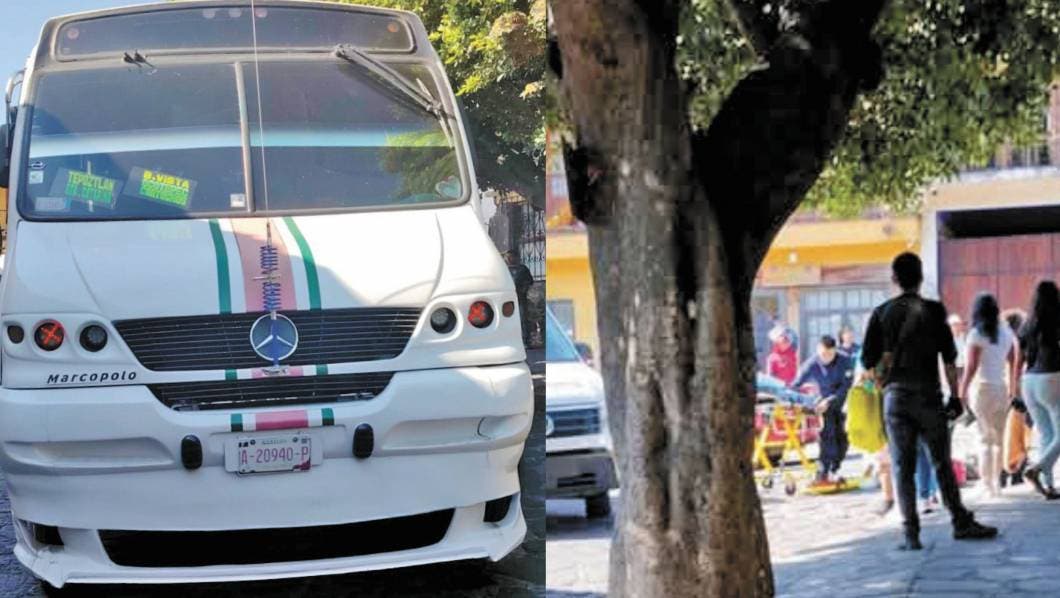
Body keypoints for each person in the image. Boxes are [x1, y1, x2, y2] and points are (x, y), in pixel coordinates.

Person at [862, 252, 997, 550]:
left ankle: (911, 535)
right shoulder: (935, 311)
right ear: (921, 278)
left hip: (895, 399)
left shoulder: (881, 313)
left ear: (894, 279)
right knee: (941, 463)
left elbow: (868, 362)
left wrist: (884, 384)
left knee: (902, 466)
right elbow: (949, 358)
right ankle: (960, 522)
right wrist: (955, 395)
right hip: (928, 397)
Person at [957, 293, 1016, 499]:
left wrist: (962, 390)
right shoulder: (1006, 332)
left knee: (984, 439)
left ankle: (986, 484)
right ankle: (997, 485)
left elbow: (971, 367)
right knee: (999, 440)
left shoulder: (976, 334)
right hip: (1001, 389)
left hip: (981, 389)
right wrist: (1013, 387)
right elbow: (1012, 361)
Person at [1016, 281, 1060, 500]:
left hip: (1028, 381)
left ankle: (1049, 486)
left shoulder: (1027, 324)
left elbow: (1018, 358)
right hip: (1052, 378)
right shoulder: (1057, 319)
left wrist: (1015, 388)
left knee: (1047, 434)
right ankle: (1038, 468)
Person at [791, 335, 854, 485]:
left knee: (843, 439)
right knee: (828, 436)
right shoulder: (812, 363)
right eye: (823, 354)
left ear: (835, 350)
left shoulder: (845, 361)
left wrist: (830, 400)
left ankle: (835, 468)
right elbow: (795, 384)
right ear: (818, 350)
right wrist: (799, 399)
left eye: (829, 354)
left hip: (843, 403)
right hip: (823, 406)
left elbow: (846, 387)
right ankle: (824, 471)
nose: (826, 357)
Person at [1001, 308, 1030, 488]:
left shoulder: (1001, 340)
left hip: (1003, 388)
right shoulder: (1021, 341)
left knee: (1005, 432)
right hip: (1018, 389)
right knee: (1021, 431)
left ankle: (1003, 473)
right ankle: (1017, 470)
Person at [503, 251, 534, 345]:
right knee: (508, 320)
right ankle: (511, 340)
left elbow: (530, 281)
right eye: (507, 257)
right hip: (507, 300)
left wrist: (524, 289)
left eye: (510, 257)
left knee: (523, 319)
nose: (508, 259)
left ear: (515, 257)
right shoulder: (503, 269)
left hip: (520, 298)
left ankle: (526, 340)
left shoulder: (522, 269)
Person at [949, 314, 969, 383]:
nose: (957, 327)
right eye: (955, 325)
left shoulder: (963, 337)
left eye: (958, 325)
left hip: (963, 366)